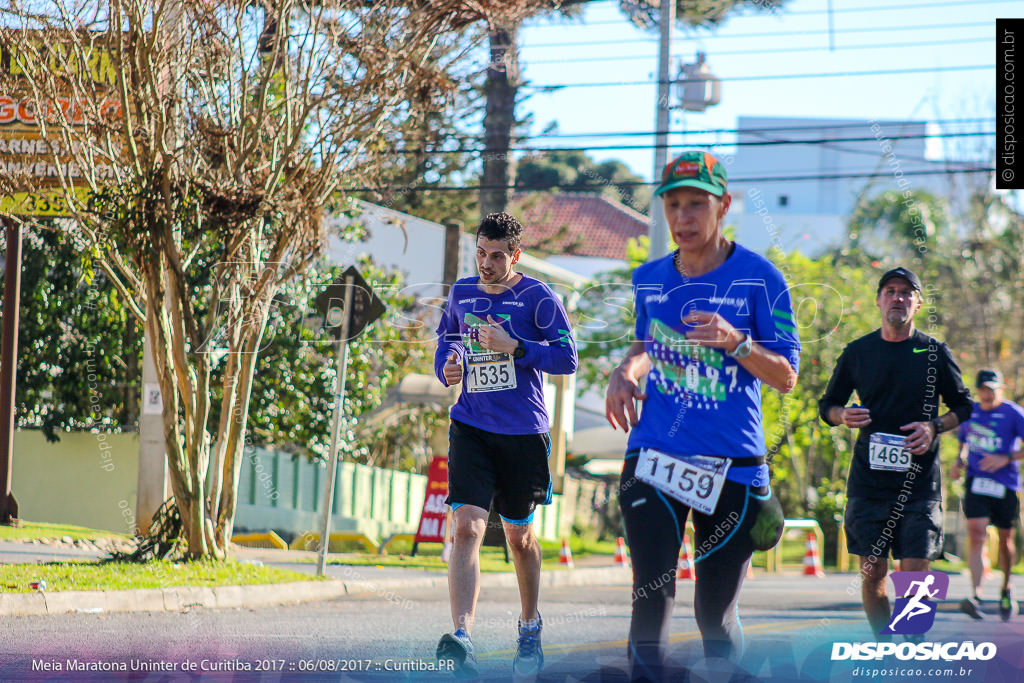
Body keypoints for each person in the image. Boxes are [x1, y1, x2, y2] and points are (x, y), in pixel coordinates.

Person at [605, 150, 800, 681]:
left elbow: (786, 376)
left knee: (713, 616)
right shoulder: (648, 278)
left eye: (697, 204)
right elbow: (647, 342)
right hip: (655, 456)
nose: (683, 218)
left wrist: (737, 343)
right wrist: (626, 369)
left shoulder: (762, 278)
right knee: (652, 593)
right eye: (673, 205)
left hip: (732, 466)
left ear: (724, 206)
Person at [433, 212, 578, 678]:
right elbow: (446, 342)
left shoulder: (538, 298)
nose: (487, 263)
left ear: (515, 255)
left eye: (497, 256)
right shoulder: (462, 292)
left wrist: (516, 347)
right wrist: (448, 366)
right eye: (480, 253)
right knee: (468, 528)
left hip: (523, 434)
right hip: (471, 425)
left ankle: (530, 626)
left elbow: (567, 358)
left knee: (519, 538)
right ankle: (463, 637)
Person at [819, 267, 972, 638]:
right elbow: (828, 406)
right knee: (873, 573)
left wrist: (933, 426)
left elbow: (964, 406)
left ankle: (913, 646)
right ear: (878, 300)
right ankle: (884, 642)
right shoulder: (858, 352)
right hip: (869, 484)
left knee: (915, 572)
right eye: (890, 291)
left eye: (906, 292)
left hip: (919, 485)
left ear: (918, 303)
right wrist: (843, 415)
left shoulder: (934, 352)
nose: (898, 297)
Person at [950, 369, 1024, 621]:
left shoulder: (1013, 413)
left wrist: (1006, 458)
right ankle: (976, 595)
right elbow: (964, 442)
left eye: (992, 389)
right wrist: (958, 461)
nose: (987, 394)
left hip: (1006, 484)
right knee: (977, 533)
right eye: (983, 389)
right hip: (976, 482)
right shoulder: (970, 412)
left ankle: (1006, 587)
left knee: (1005, 540)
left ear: (1001, 389)